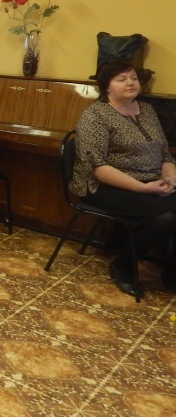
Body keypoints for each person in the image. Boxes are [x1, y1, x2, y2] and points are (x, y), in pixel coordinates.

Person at [70, 61, 176, 295]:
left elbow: (165, 154)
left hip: (150, 180)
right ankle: (124, 265)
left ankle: (171, 272)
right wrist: (143, 188)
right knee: (167, 218)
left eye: (133, 78)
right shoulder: (95, 115)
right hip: (102, 186)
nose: (130, 83)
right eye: (121, 79)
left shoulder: (146, 110)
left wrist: (171, 178)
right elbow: (98, 168)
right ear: (106, 86)